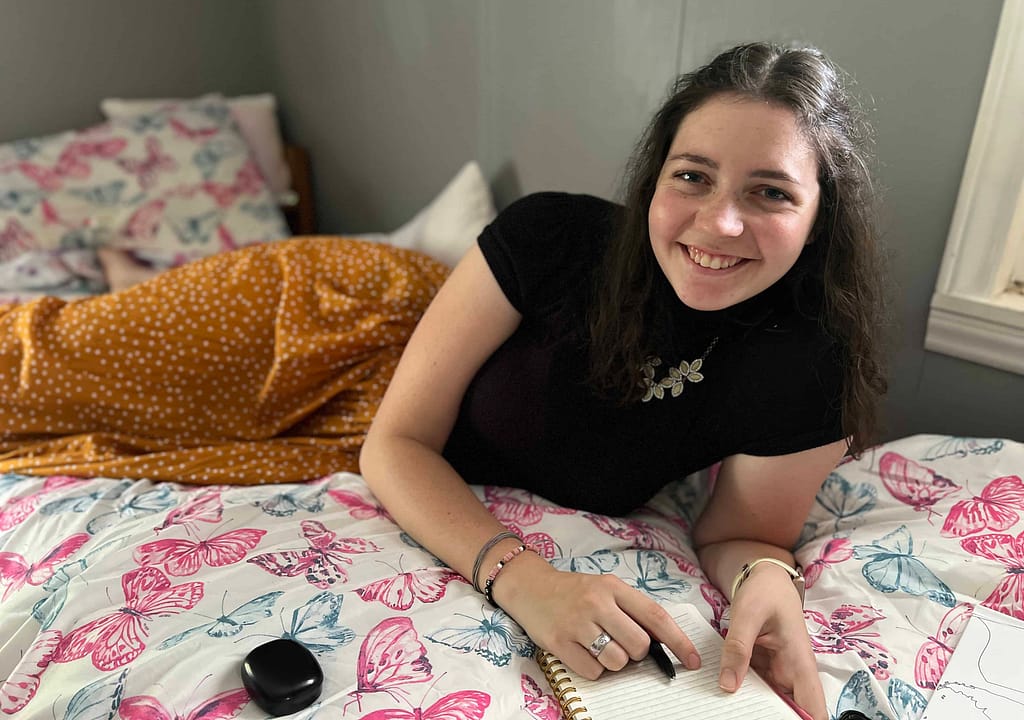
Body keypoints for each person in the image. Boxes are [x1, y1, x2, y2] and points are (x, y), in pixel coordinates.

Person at [359, 41, 887, 720]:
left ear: (820, 220)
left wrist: (770, 580)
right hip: (352, 349)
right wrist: (525, 582)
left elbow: (739, 535)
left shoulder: (810, 360)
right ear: (654, 181)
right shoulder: (548, 235)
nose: (720, 223)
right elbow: (394, 442)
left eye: (771, 192)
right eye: (693, 177)